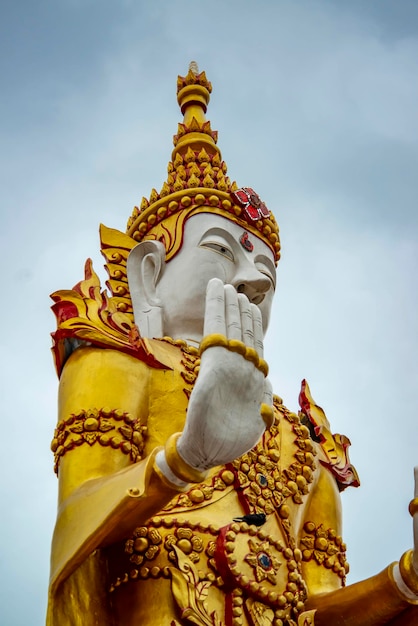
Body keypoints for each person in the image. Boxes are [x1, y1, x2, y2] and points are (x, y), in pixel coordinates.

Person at [47, 64, 418, 626]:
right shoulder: (118, 363)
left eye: (268, 269)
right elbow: (75, 523)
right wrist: (185, 457)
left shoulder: (304, 443)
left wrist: (405, 581)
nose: (256, 279)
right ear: (149, 274)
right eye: (223, 250)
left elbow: (311, 609)